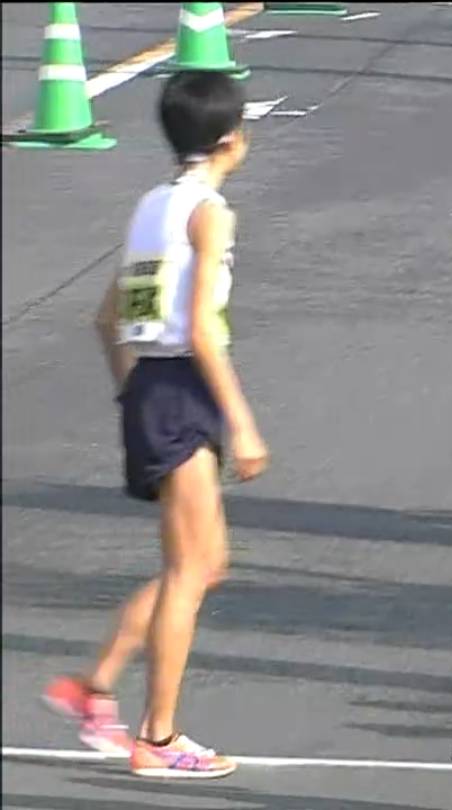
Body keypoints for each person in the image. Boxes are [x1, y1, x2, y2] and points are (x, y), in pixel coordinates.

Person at [42, 71, 269, 779]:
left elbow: (107, 317)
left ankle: (95, 687)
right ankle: (159, 738)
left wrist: (133, 396)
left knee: (205, 564)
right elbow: (201, 330)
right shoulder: (211, 212)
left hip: (150, 384)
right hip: (182, 387)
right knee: (187, 571)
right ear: (231, 139)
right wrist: (243, 424)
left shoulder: (152, 205)